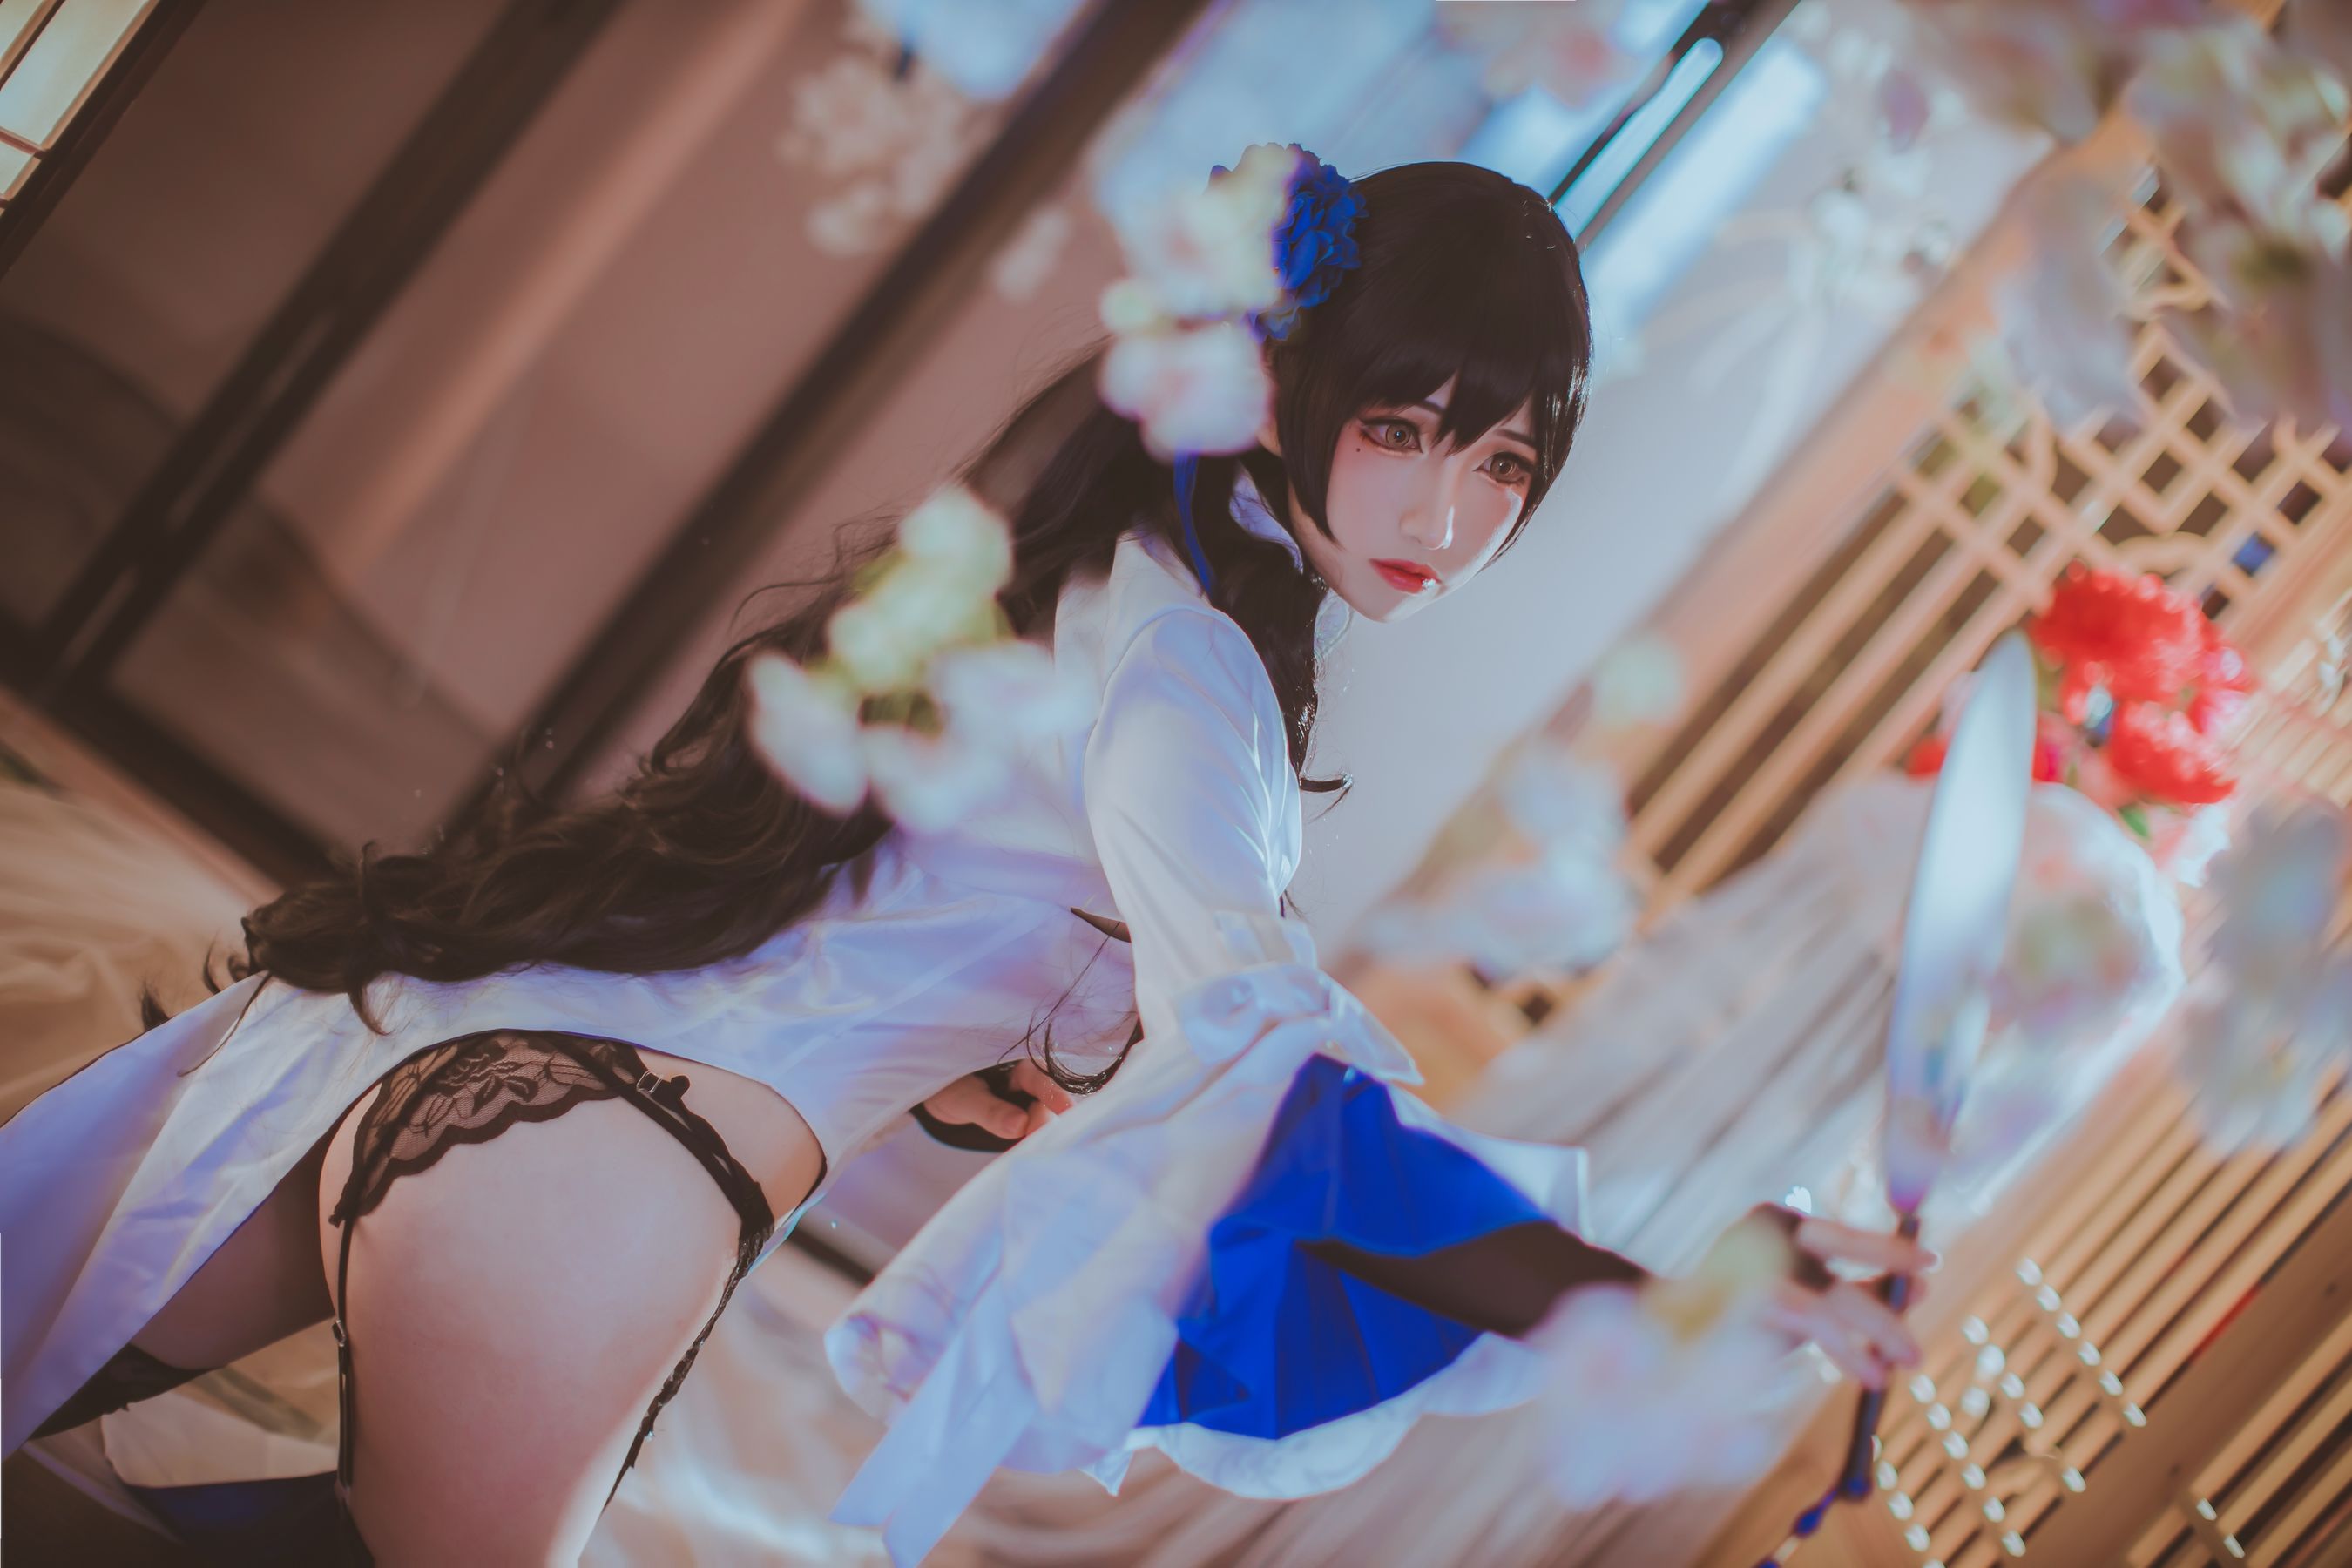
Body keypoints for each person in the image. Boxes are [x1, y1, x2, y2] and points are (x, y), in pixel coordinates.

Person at [0, 152, 1929, 1565]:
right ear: (1290, 387)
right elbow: (1275, 1081)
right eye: (1407, 427)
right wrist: (1655, 1293)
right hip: (602, 1174)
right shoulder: (1188, 672)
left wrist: (989, 1064)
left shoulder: (1116, 577)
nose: (1448, 512)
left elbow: (908, 928)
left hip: (458, 1055)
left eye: (1504, 462)